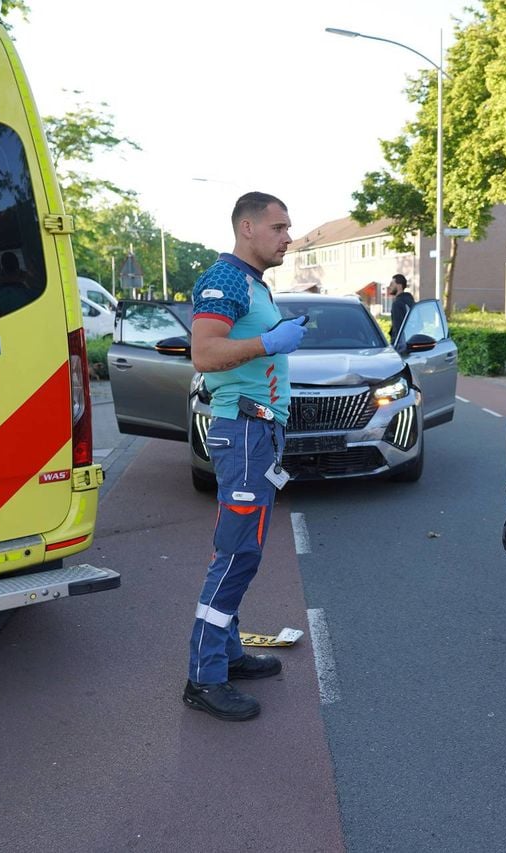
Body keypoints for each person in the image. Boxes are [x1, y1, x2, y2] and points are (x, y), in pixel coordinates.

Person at [182, 192, 308, 722]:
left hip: (259, 434)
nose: (288, 237)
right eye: (279, 227)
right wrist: (268, 343)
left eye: (288, 228)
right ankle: (204, 676)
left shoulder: (254, 284)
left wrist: (270, 338)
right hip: (244, 432)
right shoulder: (227, 279)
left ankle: (228, 654)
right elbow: (204, 353)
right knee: (237, 554)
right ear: (247, 227)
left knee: (241, 549)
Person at [388, 273, 415, 340]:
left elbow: (398, 329)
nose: (389, 286)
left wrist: (395, 342)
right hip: (411, 340)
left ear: (399, 286)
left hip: (400, 343)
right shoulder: (411, 302)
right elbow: (420, 324)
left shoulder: (397, 304)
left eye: (392, 284)